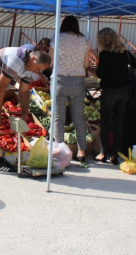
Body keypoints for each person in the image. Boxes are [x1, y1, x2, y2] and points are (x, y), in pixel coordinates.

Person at [0, 48, 52, 174]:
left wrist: (24, 112)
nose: (37, 72)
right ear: (33, 59)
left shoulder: (28, 67)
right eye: (38, 68)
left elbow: (24, 90)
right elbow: (0, 87)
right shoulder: (16, 59)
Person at [89, 28, 136, 165]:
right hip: (124, 91)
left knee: (106, 123)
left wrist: (90, 70)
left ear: (102, 40)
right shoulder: (125, 53)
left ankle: (103, 153)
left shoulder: (105, 54)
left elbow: (100, 74)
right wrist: (130, 77)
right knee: (118, 123)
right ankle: (115, 155)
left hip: (109, 91)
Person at [49, 16, 90, 167]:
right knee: (78, 117)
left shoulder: (57, 38)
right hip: (78, 81)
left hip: (60, 80)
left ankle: (60, 151)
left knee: (58, 117)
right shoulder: (84, 40)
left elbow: (51, 62)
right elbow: (86, 64)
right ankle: (82, 152)